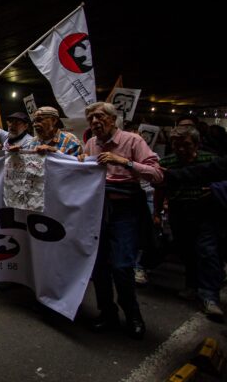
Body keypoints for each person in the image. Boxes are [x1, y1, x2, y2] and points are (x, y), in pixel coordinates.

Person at [79, 102, 163, 339]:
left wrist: (123, 161)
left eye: (99, 117)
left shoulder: (133, 141)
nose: (94, 122)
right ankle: (107, 313)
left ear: (113, 120)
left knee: (122, 266)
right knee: (98, 267)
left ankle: (133, 315)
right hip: (97, 210)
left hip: (125, 210)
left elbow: (157, 174)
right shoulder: (91, 144)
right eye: (91, 119)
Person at [154, 126, 224, 320]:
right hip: (179, 212)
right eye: (176, 145)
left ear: (196, 144)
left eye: (186, 144)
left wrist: (215, 189)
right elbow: (160, 189)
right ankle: (192, 286)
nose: (181, 149)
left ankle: (210, 296)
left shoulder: (210, 161)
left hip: (206, 213)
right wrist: (157, 212)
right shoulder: (167, 162)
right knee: (187, 251)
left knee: (207, 251)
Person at [12, 106, 81, 156]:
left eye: (39, 120)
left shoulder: (70, 141)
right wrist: (17, 154)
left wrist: (56, 153)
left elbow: (75, 169)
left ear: (54, 120)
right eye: (34, 121)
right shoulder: (33, 142)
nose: (34, 125)